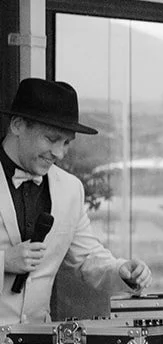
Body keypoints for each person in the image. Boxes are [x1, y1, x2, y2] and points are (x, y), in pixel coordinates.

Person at [0, 78, 151, 325]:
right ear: (17, 125)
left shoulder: (70, 189)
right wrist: (4, 262)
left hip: (39, 343)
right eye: (51, 139)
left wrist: (121, 271)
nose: (59, 153)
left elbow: (86, 258)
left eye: (66, 143)